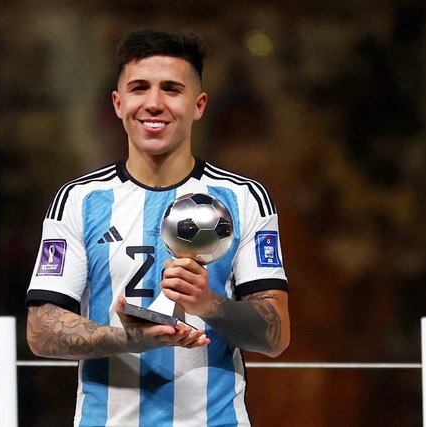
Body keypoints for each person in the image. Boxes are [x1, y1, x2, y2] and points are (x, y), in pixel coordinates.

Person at [26, 29, 290, 427]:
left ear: (198, 105)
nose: (153, 103)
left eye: (171, 89)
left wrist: (207, 303)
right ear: (118, 104)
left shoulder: (244, 199)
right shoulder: (79, 200)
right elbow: (41, 328)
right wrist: (132, 339)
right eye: (139, 88)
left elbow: (276, 335)